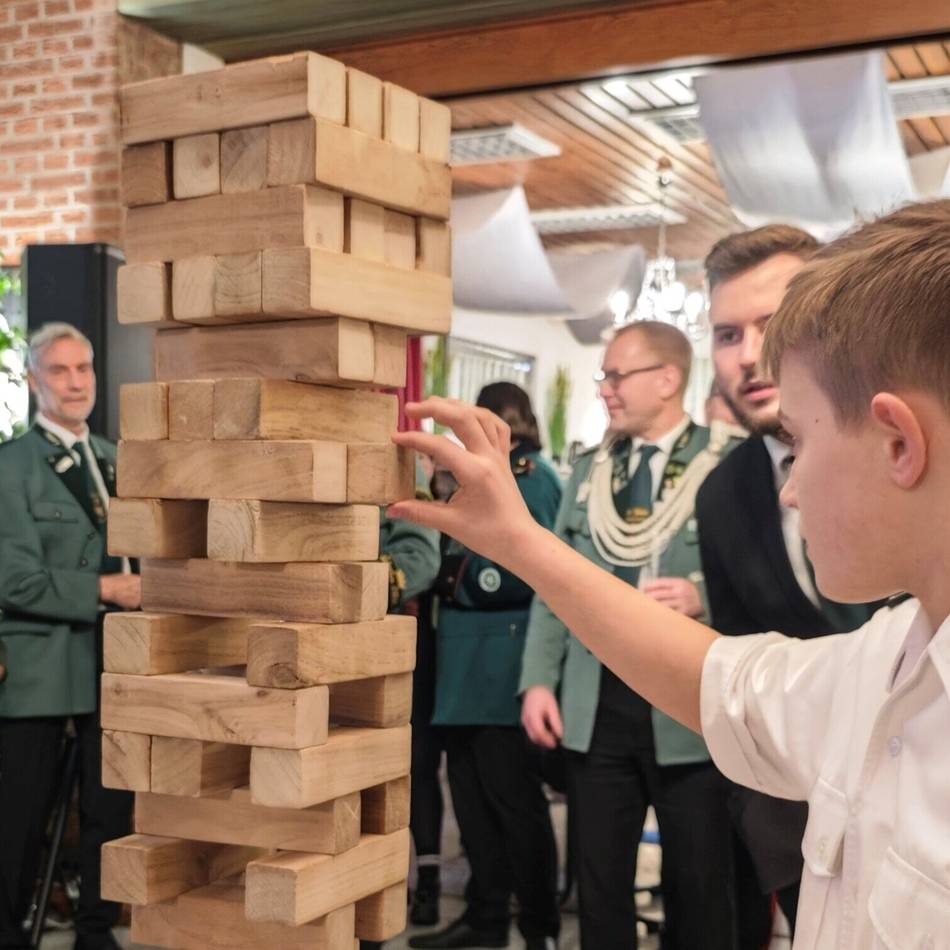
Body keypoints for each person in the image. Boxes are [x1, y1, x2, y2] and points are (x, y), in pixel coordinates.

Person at [387, 198, 950, 949]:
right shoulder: (889, 658)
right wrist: (518, 541)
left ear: (896, 444)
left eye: (801, 438)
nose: (789, 484)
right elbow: (721, 676)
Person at [519, 322, 735, 950]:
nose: (605, 390)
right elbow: (555, 582)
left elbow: (763, 582)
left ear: (667, 380)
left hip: (689, 707)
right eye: (603, 377)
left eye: (617, 376)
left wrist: (705, 598)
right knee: (600, 881)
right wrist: (538, 679)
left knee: (700, 882)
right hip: (598, 702)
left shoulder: (725, 464)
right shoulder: (591, 470)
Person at [695, 225, 883, 944]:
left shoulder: (917, 455)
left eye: (772, 326)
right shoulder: (722, 494)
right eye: (725, 333)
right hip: (805, 833)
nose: (748, 356)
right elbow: (746, 667)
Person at [0, 323, 139, 950]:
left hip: (116, 667)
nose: (77, 381)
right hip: (38, 668)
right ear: (32, 380)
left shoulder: (116, 460)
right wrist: (105, 591)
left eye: (84, 368)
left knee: (111, 812)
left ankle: (96, 932)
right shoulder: (10, 468)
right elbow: (15, 580)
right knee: (18, 817)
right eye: (59, 370)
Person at [410, 382, 562, 950]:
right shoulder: (474, 477)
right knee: (472, 808)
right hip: (460, 670)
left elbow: (541, 563)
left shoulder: (534, 476)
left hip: (505, 666)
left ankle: (538, 925)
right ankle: (486, 917)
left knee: (517, 808)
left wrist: (458, 579)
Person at [363, 504, 441, 950]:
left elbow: (419, 556)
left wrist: (347, 581)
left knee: (393, 786)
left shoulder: (392, 465)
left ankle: (409, 889)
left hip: (369, 658)